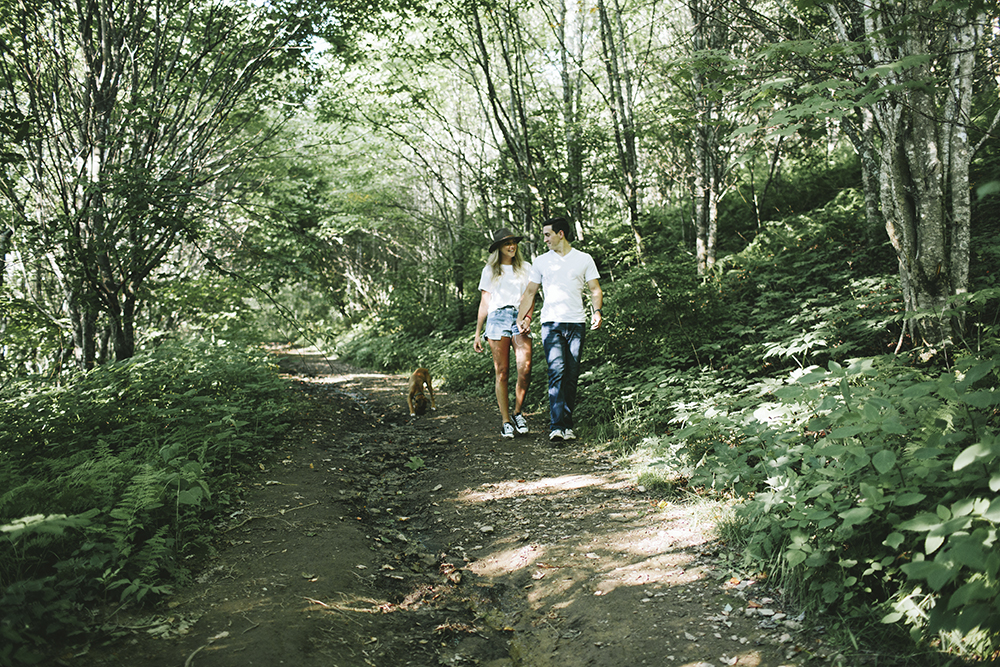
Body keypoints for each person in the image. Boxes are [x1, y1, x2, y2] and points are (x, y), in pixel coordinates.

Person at [517, 217, 602, 442]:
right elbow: (530, 292)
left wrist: (597, 311)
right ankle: (556, 426)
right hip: (551, 324)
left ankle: (567, 425)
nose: (545, 239)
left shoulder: (584, 259)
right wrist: (523, 317)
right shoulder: (541, 262)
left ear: (561, 234)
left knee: (572, 375)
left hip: (576, 323)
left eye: (548, 234)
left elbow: (595, 289)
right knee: (557, 371)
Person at [474, 228, 534, 439]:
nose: (512, 246)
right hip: (497, 319)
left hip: (519, 318)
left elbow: (530, 294)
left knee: (525, 368)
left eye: (514, 242)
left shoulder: (526, 268)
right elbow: (485, 302)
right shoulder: (490, 270)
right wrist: (477, 332)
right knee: (502, 372)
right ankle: (506, 421)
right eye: (507, 243)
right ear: (499, 247)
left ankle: (518, 413)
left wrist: (527, 318)